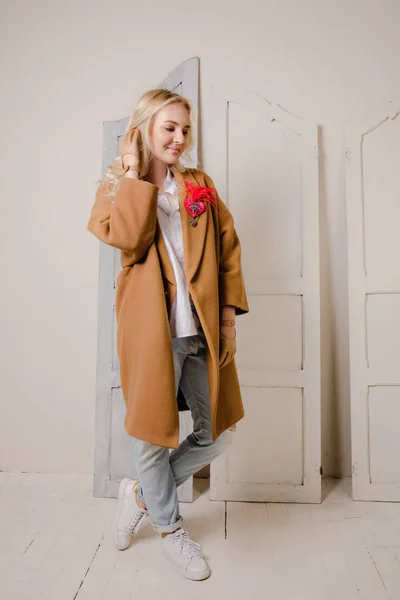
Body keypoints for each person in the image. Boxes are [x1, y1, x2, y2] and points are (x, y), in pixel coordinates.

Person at [88, 88, 249, 581]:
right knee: (152, 438)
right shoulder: (115, 190)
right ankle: (169, 526)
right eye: (169, 128)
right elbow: (131, 243)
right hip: (149, 333)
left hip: (199, 328)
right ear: (143, 131)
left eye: (185, 129)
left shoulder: (200, 184)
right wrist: (135, 175)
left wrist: (225, 322)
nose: (179, 138)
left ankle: (139, 493)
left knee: (218, 431)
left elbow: (227, 252)